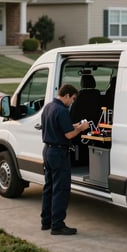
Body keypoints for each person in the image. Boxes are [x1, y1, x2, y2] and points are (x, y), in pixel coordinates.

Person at [40, 84, 89, 235]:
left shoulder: (48, 107)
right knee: (61, 189)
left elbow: (60, 127)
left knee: (49, 187)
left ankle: (46, 221)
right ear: (66, 95)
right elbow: (69, 135)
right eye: (73, 99)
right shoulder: (62, 110)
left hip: (47, 151)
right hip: (59, 153)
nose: (72, 102)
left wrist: (73, 125)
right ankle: (58, 225)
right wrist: (81, 128)